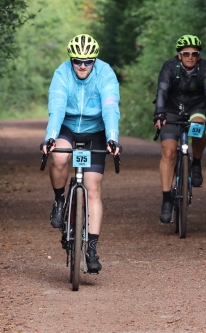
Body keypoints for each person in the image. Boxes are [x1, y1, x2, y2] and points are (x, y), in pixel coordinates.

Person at [40, 34, 121, 272]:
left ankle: (92, 248)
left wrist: (112, 138)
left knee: (92, 187)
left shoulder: (106, 74)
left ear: (95, 60)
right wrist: (51, 136)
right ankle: (59, 200)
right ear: (71, 60)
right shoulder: (62, 74)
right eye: (77, 61)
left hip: (96, 130)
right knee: (60, 156)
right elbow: (56, 107)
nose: (83, 66)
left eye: (88, 61)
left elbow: (110, 107)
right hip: (68, 127)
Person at [153, 34, 206, 223]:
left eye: (194, 53)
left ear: (198, 55)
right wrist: (159, 112)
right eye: (186, 53)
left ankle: (196, 163)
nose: (190, 57)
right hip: (172, 110)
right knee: (168, 152)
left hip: (196, 108)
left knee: (198, 125)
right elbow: (162, 90)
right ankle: (167, 200)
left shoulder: (205, 68)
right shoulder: (169, 67)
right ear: (179, 55)